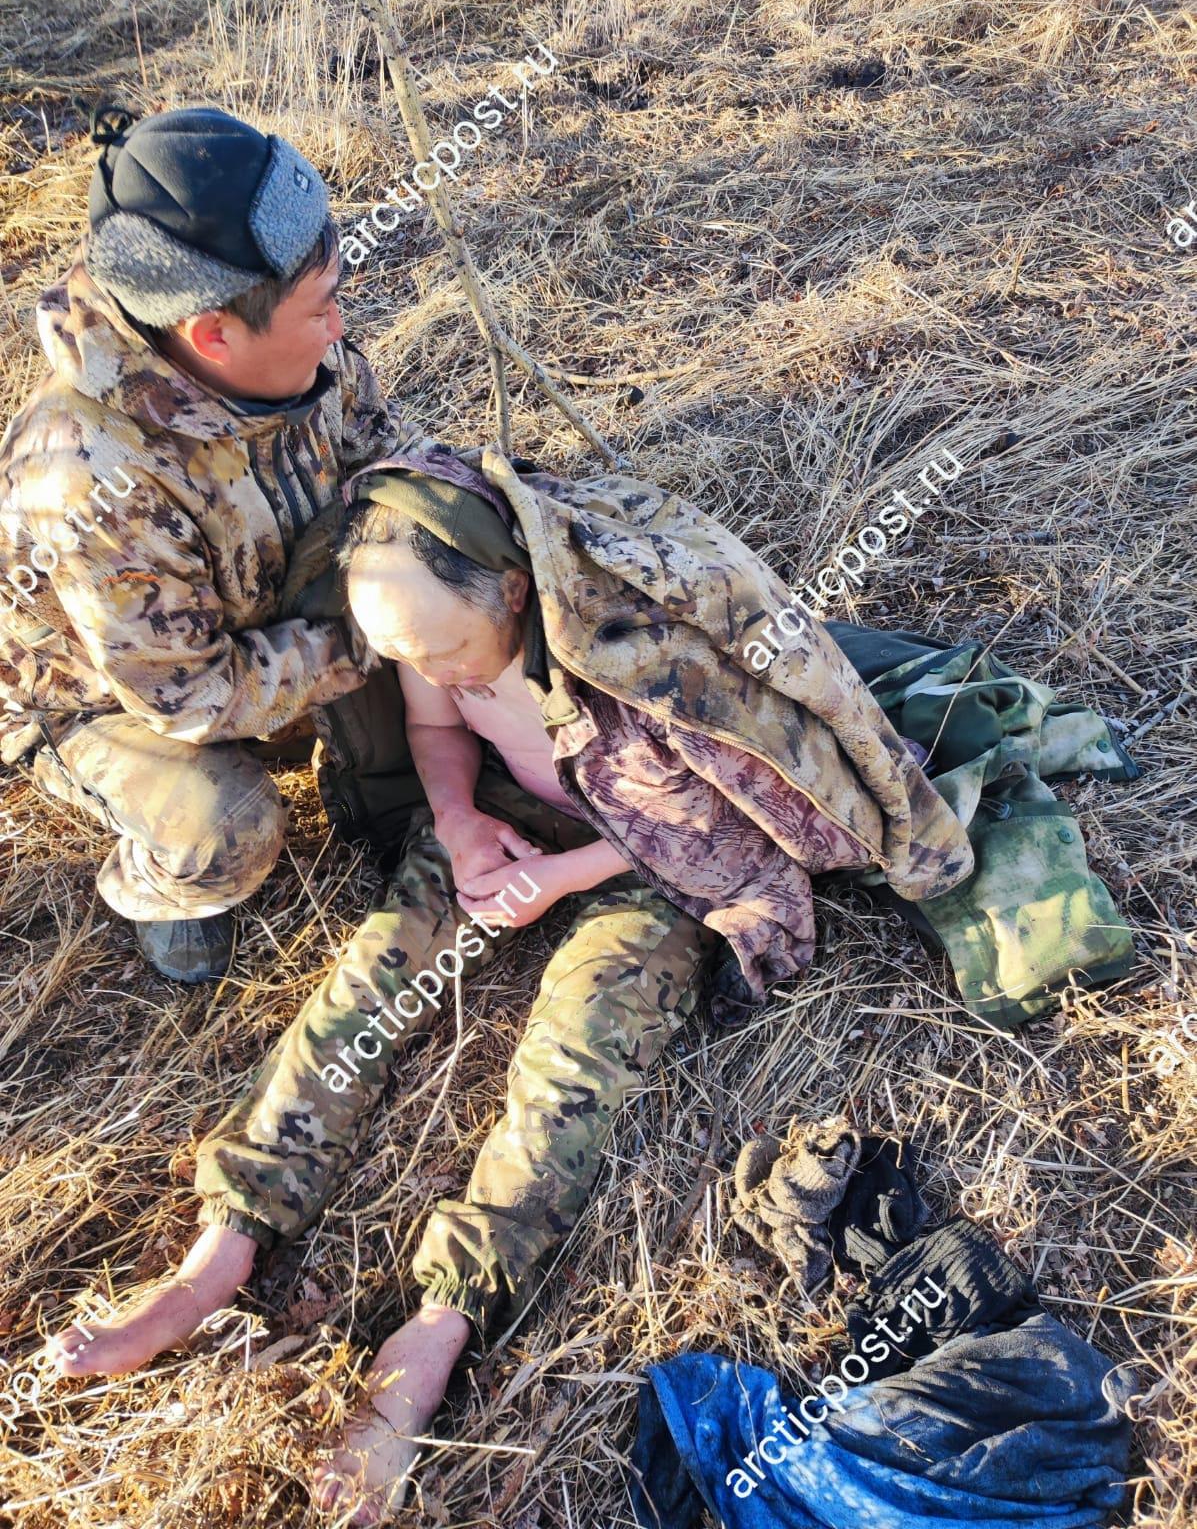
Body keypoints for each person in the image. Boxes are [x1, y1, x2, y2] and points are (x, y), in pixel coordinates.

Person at [45, 449, 975, 1523]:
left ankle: (441, 1324)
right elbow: (438, 729)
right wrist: (458, 826)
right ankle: (225, 1247)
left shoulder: (635, 657)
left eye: (445, 649)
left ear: (519, 598)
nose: (427, 669)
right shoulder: (425, 634)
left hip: (649, 863)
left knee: (577, 1053)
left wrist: (558, 878)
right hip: (502, 817)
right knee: (365, 988)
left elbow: (724, 816)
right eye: (403, 652)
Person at [0, 105, 441, 982]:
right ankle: (162, 885)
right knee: (225, 826)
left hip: (265, 610)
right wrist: (373, 637)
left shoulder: (294, 354)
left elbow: (385, 460)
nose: (341, 331)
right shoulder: (89, 482)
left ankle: (377, 788)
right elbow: (192, 700)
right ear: (213, 336)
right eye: (321, 309)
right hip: (105, 698)